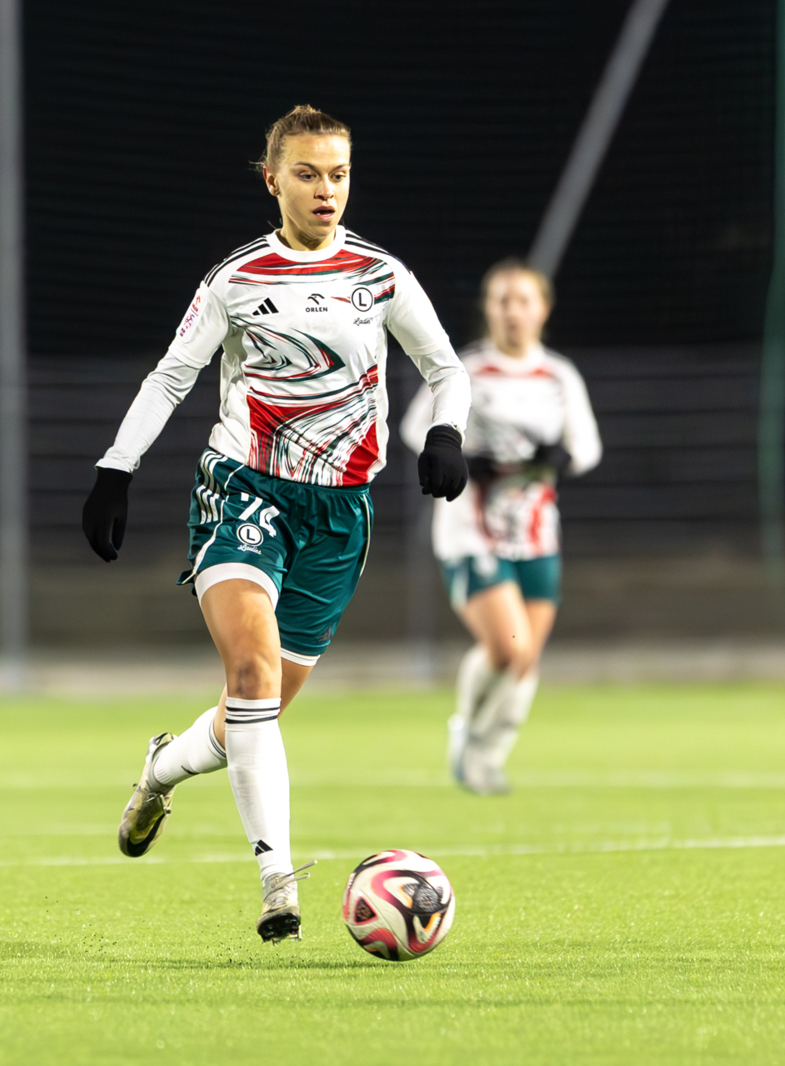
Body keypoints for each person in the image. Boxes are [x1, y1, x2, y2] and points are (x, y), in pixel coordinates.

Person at [82, 105, 471, 942]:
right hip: (244, 490)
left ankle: (160, 769)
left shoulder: (380, 275)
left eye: (338, 173)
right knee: (253, 676)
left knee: (249, 714)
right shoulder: (237, 280)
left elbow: (446, 369)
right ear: (272, 179)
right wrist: (116, 468)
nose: (325, 189)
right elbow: (171, 376)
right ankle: (278, 887)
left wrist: (446, 431)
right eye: (307, 173)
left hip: (340, 518)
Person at [401, 259, 600, 796]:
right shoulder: (466, 371)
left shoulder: (559, 376)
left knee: (526, 657)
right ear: (488, 309)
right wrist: (461, 456)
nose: (513, 311)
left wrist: (559, 460)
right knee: (509, 647)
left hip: (535, 531)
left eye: (524, 300)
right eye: (502, 300)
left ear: (543, 309)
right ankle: (466, 731)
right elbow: (418, 428)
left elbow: (586, 446)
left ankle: (489, 753)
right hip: (472, 530)